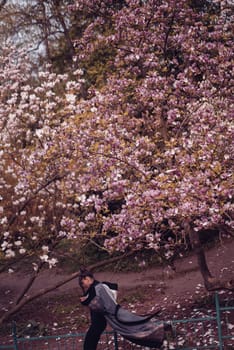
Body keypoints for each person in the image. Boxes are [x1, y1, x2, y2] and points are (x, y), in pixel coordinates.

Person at [79, 269, 170, 349]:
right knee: (132, 328)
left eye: (83, 283)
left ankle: (161, 330)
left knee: (133, 327)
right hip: (112, 315)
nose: (84, 287)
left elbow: (99, 305)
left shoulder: (99, 287)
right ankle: (160, 333)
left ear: (86, 278)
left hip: (114, 314)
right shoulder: (98, 287)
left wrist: (85, 301)